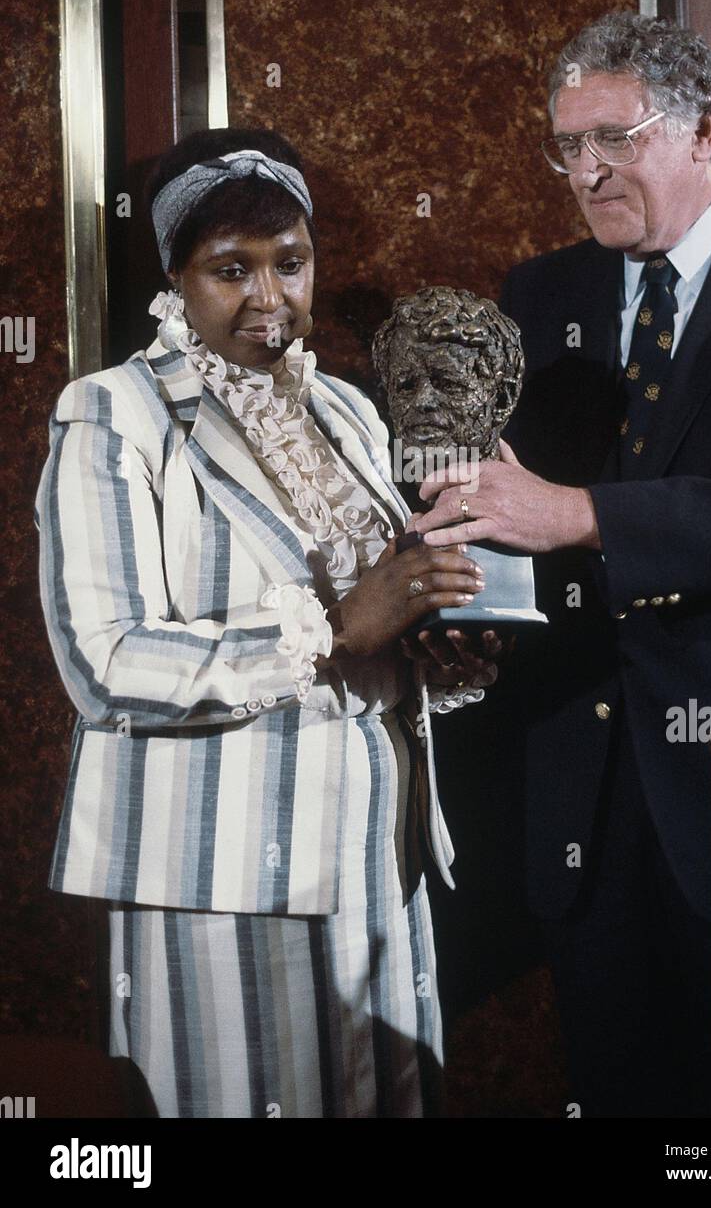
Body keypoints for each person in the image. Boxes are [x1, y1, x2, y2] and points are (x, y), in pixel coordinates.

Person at [412, 12, 711, 1117]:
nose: (586, 169)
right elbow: (513, 517)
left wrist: (574, 514)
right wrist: (467, 600)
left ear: (703, 131)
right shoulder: (538, 296)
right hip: (581, 785)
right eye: (565, 145)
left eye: (613, 135)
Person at [34, 126, 502, 1119]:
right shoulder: (113, 413)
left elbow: (378, 623)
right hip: (225, 866)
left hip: (379, 855)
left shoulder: (342, 409)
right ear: (173, 277)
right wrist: (333, 628)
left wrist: (436, 648)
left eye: (289, 263)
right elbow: (105, 663)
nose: (267, 296)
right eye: (228, 269)